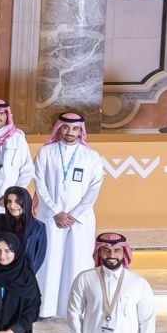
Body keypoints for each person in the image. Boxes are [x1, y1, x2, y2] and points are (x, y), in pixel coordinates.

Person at [34, 113, 107, 319]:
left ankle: (74, 309)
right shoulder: (46, 152)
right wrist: (56, 212)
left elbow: (94, 188)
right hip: (51, 217)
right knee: (49, 262)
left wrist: (73, 214)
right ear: (59, 128)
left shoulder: (91, 156)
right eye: (66, 128)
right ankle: (45, 308)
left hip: (80, 219)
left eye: (75, 129)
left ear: (81, 131)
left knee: (77, 262)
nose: (70, 132)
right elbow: (39, 183)